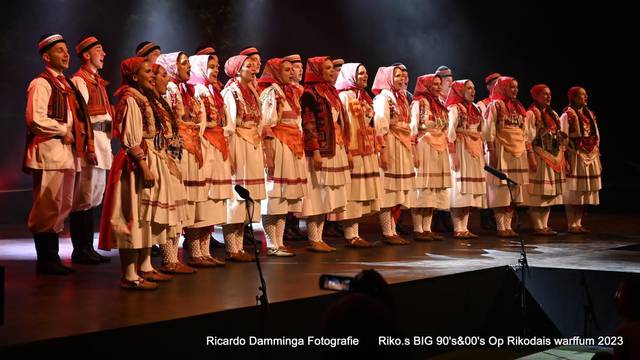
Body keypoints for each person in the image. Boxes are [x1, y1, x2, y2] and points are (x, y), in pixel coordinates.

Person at [99, 57, 183, 290]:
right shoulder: (130, 100)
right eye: (148, 72)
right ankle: (129, 275)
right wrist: (144, 166)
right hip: (135, 164)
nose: (153, 75)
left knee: (146, 217)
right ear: (135, 77)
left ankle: (145, 267)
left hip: (150, 157)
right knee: (133, 216)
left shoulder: (144, 98)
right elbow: (130, 140)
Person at [25, 34, 97, 275]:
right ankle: (45, 259)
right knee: (48, 205)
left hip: (67, 154)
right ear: (46, 56)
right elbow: (35, 119)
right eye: (59, 51)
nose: (66, 55)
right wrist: (62, 130)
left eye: (66, 50)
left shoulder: (66, 84)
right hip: (49, 153)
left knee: (63, 205)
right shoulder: (41, 83)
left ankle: (52, 258)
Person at [300, 56, 352, 252]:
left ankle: (319, 238)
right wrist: (315, 151)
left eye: (332, 68)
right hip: (320, 149)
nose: (332, 71)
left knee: (326, 194)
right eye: (328, 68)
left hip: (334, 146)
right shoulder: (309, 93)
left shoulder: (331, 91)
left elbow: (340, 122)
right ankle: (313, 238)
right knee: (316, 193)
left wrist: (346, 149)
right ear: (317, 70)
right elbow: (309, 124)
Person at [69, 36, 113, 264]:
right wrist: (89, 146)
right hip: (91, 142)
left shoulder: (97, 81)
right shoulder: (80, 80)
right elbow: (82, 117)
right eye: (99, 50)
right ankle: (80, 250)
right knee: (84, 197)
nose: (103, 54)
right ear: (86, 55)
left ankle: (87, 247)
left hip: (102, 141)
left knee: (95, 195)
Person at [258, 58, 308, 256]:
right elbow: (267, 126)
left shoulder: (290, 92)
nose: (290, 73)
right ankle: (271, 242)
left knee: (284, 198)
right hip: (279, 144)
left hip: (292, 145)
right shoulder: (272, 92)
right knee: (275, 196)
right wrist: (268, 155)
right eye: (286, 70)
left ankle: (279, 242)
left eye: (290, 70)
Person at [187, 51, 232, 264]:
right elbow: (199, 122)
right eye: (211, 66)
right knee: (202, 199)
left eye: (216, 66)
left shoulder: (214, 91)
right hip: (204, 144)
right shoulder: (196, 90)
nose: (215, 70)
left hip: (217, 143)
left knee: (214, 200)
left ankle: (206, 252)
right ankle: (196, 252)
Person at [221, 55, 265, 261]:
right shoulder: (231, 92)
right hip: (238, 143)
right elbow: (228, 126)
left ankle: (239, 247)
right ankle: (231, 248)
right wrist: (229, 153)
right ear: (237, 70)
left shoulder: (253, 92)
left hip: (253, 143)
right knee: (236, 196)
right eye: (248, 66)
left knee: (247, 197)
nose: (254, 68)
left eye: (254, 65)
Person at [334, 62, 382, 247]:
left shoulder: (363, 97)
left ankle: (355, 233)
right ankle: (350, 235)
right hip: (354, 148)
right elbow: (345, 126)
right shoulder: (345, 97)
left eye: (366, 73)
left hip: (366, 149)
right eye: (361, 73)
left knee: (360, 191)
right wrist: (348, 150)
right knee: (353, 192)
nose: (365, 76)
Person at [484, 76, 533, 237]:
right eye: (512, 87)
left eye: (516, 87)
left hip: (518, 150)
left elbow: (525, 131)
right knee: (501, 188)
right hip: (502, 148)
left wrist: (528, 151)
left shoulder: (519, 107)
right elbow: (489, 129)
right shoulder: (495, 106)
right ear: (504, 88)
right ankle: (500, 227)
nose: (515, 90)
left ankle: (508, 225)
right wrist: (491, 152)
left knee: (514, 188)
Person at [372, 65, 414, 245]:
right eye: (397, 76)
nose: (401, 79)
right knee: (389, 189)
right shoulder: (383, 98)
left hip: (402, 144)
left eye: (403, 76)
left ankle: (393, 229)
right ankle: (387, 232)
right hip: (390, 143)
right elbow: (381, 125)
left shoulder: (402, 97)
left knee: (398, 190)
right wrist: (383, 152)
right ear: (389, 78)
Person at [410, 74, 451, 241]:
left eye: (439, 84)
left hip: (439, 146)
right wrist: (414, 151)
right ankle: (418, 229)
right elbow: (413, 127)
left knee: (434, 189)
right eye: (434, 84)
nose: (438, 87)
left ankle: (427, 228)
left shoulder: (440, 104)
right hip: (424, 145)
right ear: (426, 85)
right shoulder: (418, 103)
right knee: (423, 187)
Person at [524, 84, 567, 235]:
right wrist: (530, 157)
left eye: (549, 94)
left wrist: (562, 156)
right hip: (539, 155)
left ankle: (545, 225)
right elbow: (527, 137)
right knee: (538, 193)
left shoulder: (553, 113)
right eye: (544, 94)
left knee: (549, 192)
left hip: (553, 156)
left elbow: (559, 135)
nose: (548, 97)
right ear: (536, 96)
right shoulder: (531, 113)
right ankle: (538, 225)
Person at [446, 80, 487, 238]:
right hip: (461, 148)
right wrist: (453, 154)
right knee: (461, 188)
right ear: (459, 91)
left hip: (474, 149)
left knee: (469, 191)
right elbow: (450, 134)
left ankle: (465, 227)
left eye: (474, 88)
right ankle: (458, 228)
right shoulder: (454, 109)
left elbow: (481, 130)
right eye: (469, 88)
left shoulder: (476, 109)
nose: (473, 91)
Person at [560, 87, 602, 233]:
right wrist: (564, 157)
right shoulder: (567, 115)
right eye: (581, 95)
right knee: (574, 190)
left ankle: (578, 223)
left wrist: (597, 151)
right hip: (575, 154)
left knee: (583, 191)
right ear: (573, 97)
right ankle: (571, 224)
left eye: (585, 95)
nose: (585, 97)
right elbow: (563, 137)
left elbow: (596, 133)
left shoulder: (590, 114)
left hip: (590, 154)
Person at [282, 53, 307, 242]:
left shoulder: (300, 90)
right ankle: (287, 225)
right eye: (294, 68)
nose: (298, 71)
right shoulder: (283, 91)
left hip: (299, 138)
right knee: (288, 182)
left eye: (299, 68)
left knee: (297, 182)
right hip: (287, 138)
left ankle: (294, 224)